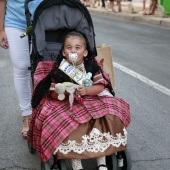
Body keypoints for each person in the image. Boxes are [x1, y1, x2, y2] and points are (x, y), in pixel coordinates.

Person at [28, 31, 130, 170]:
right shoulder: (59, 70)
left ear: (86, 52)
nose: (73, 51)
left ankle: (102, 162)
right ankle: (76, 165)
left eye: (77, 47)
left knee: (105, 116)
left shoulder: (92, 67)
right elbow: (53, 93)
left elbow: (100, 86)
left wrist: (87, 90)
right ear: (64, 52)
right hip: (68, 101)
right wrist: (62, 92)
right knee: (67, 121)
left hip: (91, 98)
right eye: (69, 48)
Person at [0, 0, 42, 139]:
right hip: (16, 24)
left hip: (43, 20)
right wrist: (0, 29)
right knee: (22, 67)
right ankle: (27, 115)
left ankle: (43, 113)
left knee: (41, 67)